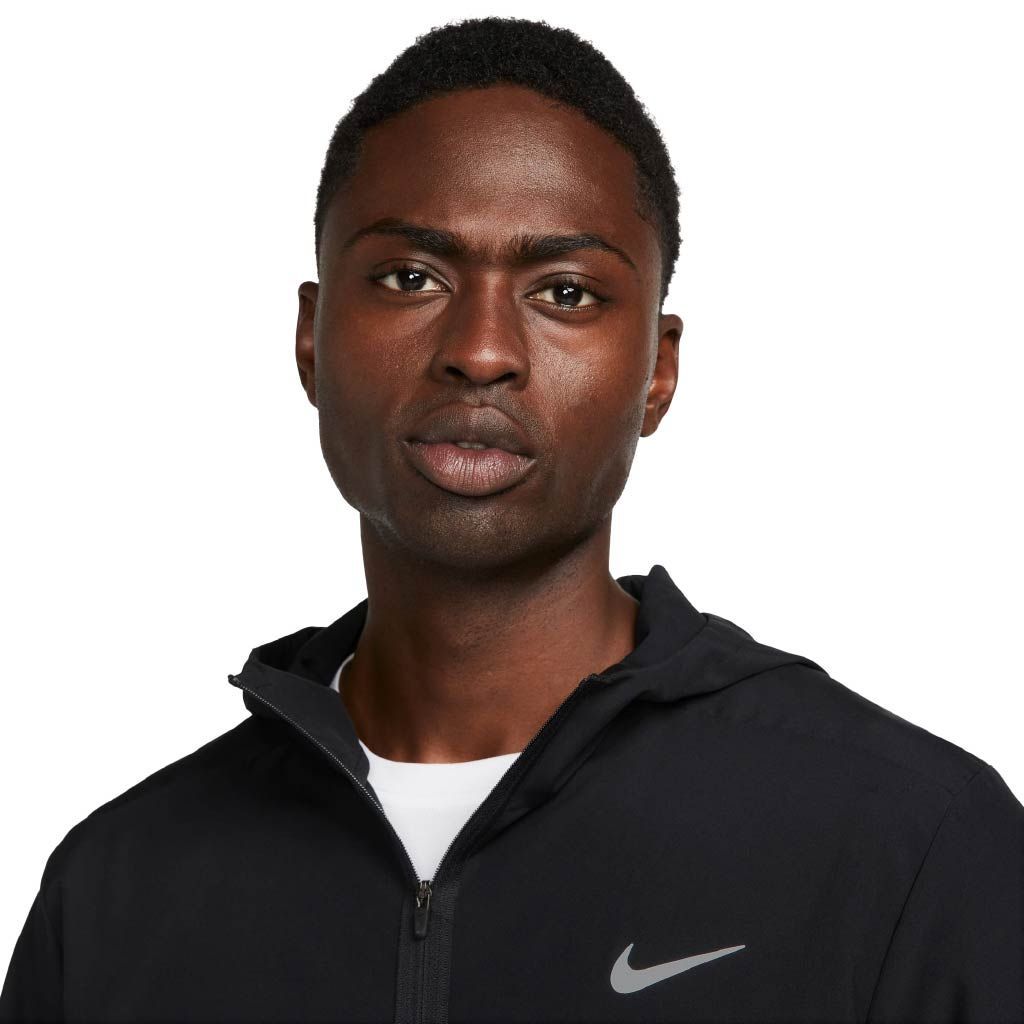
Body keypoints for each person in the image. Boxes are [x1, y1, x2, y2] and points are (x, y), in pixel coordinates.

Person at [2, 15, 1022, 1023]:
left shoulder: (912, 847)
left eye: (565, 292)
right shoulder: (113, 895)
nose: (481, 350)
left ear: (657, 371)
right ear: (311, 339)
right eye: (411, 277)